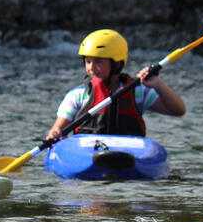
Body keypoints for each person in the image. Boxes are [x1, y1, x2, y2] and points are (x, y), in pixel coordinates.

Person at [45, 29, 186, 140]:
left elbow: (178, 110)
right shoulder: (78, 95)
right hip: (89, 151)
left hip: (127, 152)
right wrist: (56, 133)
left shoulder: (138, 92)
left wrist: (158, 84)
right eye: (88, 62)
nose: (91, 68)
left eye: (98, 62)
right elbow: (58, 128)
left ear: (117, 64)